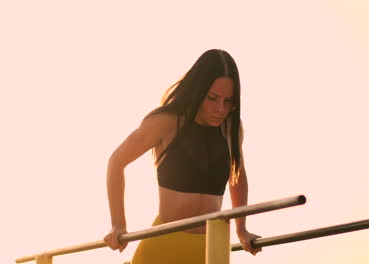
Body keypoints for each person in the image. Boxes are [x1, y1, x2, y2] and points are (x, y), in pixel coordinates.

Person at [104, 49, 262, 263]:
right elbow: (116, 162)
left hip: (211, 247)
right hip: (163, 247)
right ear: (198, 90)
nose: (220, 108)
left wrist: (241, 229)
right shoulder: (165, 121)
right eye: (213, 98)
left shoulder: (232, 127)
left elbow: (238, 174)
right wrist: (118, 224)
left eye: (228, 101)